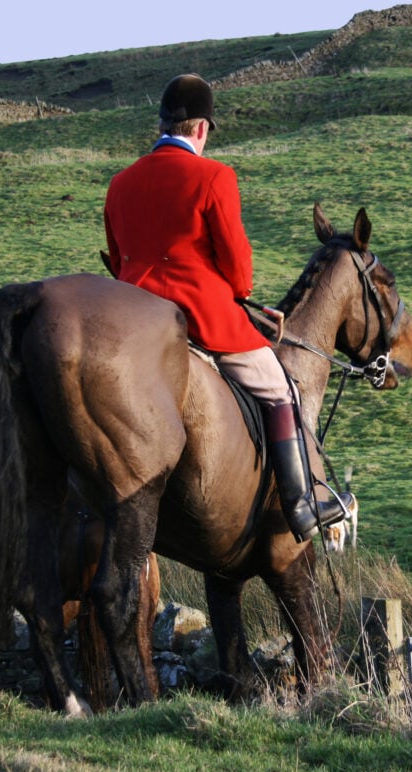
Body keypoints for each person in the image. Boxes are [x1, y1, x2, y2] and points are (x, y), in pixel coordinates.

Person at [102, 73, 351, 543]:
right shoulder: (215, 176)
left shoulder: (120, 184)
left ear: (161, 124)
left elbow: (119, 264)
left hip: (137, 316)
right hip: (200, 319)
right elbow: (238, 272)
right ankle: (301, 503)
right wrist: (240, 297)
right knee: (284, 391)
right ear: (201, 129)